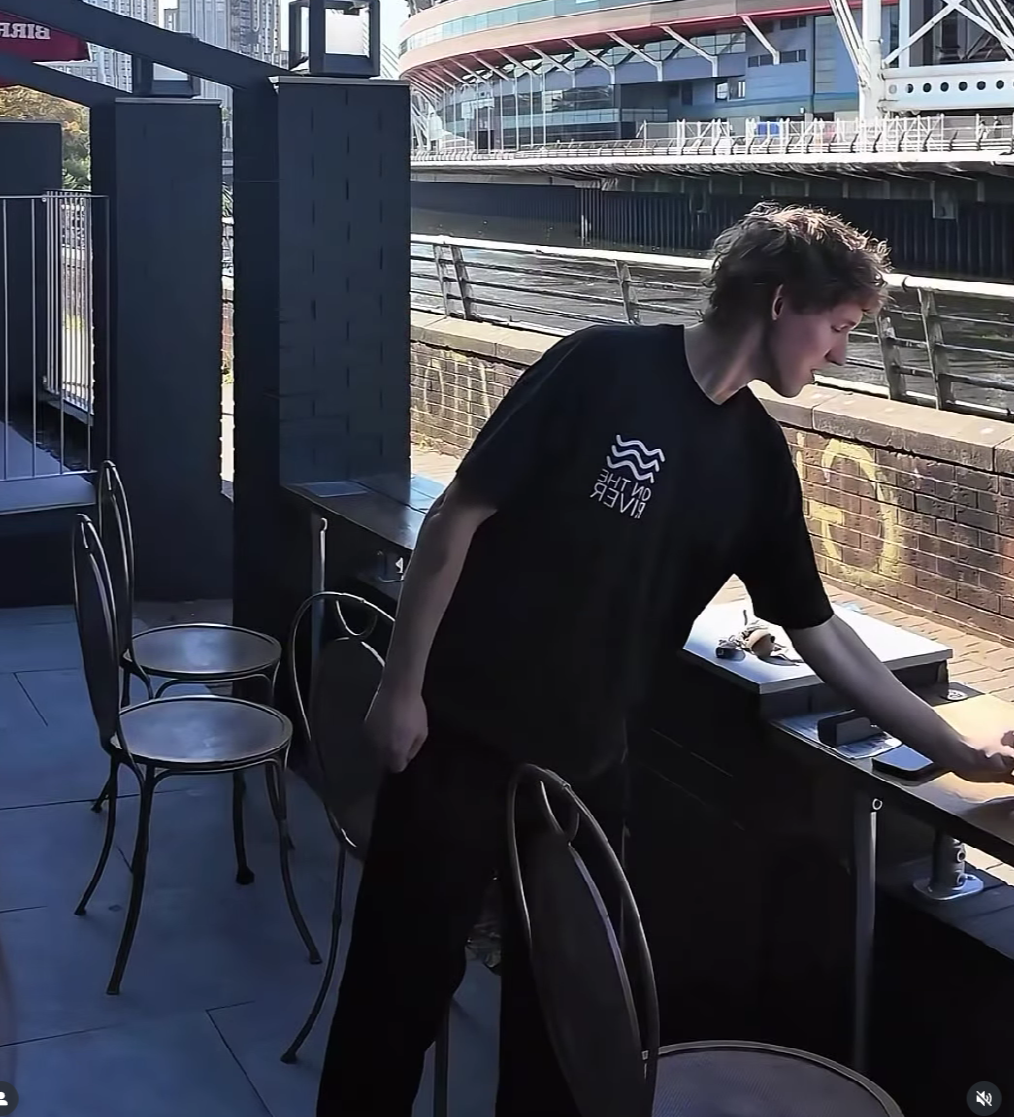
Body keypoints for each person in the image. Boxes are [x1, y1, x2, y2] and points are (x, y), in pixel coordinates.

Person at [315, 204, 1014, 1117]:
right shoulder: (600, 363)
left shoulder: (758, 460)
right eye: (837, 328)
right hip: (456, 735)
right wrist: (401, 689)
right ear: (778, 301)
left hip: (588, 772)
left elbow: (822, 632)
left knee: (566, 1017)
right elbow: (456, 518)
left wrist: (953, 754)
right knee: (394, 989)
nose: (841, 353)